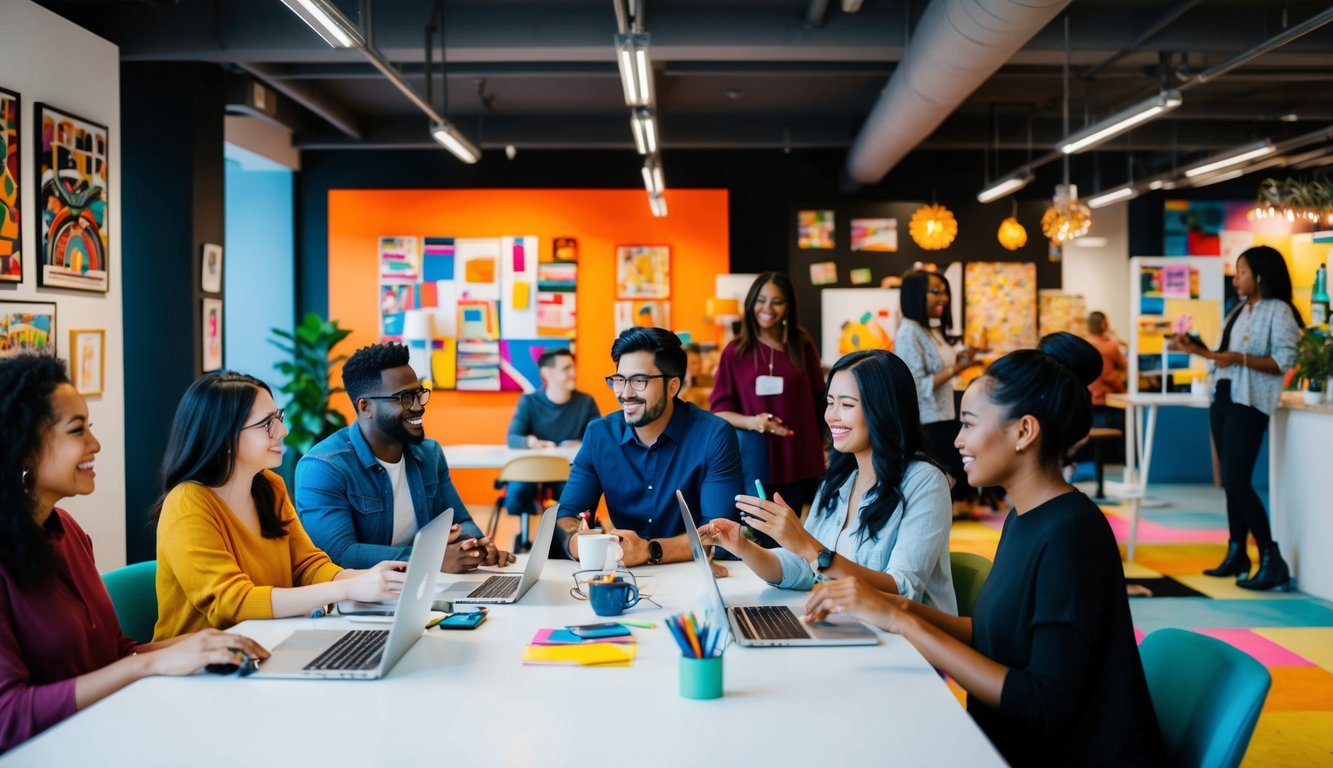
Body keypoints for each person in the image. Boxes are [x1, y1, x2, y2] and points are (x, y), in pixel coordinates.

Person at [803, 333, 1165, 767]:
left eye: (970, 424)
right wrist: (887, 604)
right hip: (995, 742)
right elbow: (994, 634)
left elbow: (1044, 704)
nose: (957, 441)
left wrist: (902, 621)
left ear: (1024, 431)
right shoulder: (1025, 518)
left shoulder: (1072, 535)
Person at [0, 354, 270, 751]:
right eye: (77, 431)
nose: (95, 444)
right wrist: (149, 663)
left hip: (108, 731)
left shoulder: (68, 532)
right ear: (24, 447)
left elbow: (114, 653)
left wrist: (202, 644)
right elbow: (8, 716)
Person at [153, 372, 409, 640]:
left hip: (270, 641)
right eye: (267, 424)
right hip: (203, 661)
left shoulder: (269, 487)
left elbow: (307, 566)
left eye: (278, 417)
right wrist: (346, 589)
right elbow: (231, 604)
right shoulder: (186, 504)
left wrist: (363, 579)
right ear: (224, 437)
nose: (282, 431)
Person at [703, 350, 956, 612]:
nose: (831, 416)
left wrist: (807, 545)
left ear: (885, 409)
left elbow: (903, 591)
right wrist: (743, 547)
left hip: (902, 634)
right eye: (830, 402)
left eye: (846, 405)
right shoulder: (839, 480)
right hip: (848, 625)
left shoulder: (925, 482)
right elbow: (803, 569)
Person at [296, 343, 515, 571]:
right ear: (365, 406)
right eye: (405, 398)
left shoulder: (429, 454)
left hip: (419, 586)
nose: (419, 407)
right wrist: (428, 558)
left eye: (419, 394)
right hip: (359, 591)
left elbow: (461, 521)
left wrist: (474, 546)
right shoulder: (324, 467)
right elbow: (339, 554)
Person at [557, 327, 743, 566]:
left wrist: (649, 550)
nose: (625, 393)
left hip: (696, 573)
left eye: (639, 381)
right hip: (623, 575)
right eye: (619, 380)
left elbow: (720, 533)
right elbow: (567, 515)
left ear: (673, 386)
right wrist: (577, 540)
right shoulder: (599, 435)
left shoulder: (714, 435)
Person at [1174, 245, 1302, 591]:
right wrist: (1196, 349)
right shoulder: (1237, 310)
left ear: (1259, 276)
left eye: (1241, 272)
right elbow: (1224, 356)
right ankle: (1237, 552)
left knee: (1237, 481)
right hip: (1224, 399)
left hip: (1250, 403)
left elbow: (1284, 361)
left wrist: (1239, 358)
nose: (1235, 279)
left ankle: (1271, 558)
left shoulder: (1280, 311)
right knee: (1231, 483)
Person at [709, 272, 826, 519]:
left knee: (793, 528)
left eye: (777, 301)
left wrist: (827, 446)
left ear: (788, 305)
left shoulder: (801, 343)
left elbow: (820, 398)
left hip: (798, 457)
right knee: (760, 531)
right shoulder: (735, 352)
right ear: (751, 303)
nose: (767, 309)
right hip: (756, 460)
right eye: (761, 300)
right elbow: (719, 411)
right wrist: (756, 422)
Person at [893, 269, 976, 517]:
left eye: (945, 292)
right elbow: (917, 385)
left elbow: (938, 369)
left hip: (944, 413)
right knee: (948, 473)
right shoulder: (908, 333)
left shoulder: (929, 329)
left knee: (957, 471)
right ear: (915, 294)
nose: (944, 298)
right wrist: (957, 368)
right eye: (935, 292)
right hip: (928, 418)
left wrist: (960, 361)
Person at [504, 347, 599, 521]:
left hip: (570, 471)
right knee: (517, 491)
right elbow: (512, 439)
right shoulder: (529, 401)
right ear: (547, 373)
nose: (573, 373)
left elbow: (599, 439)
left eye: (573, 367)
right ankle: (530, 532)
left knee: (574, 495)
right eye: (566, 369)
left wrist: (582, 442)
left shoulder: (586, 402)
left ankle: (563, 533)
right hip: (533, 469)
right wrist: (532, 442)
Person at [1084, 311, 1128, 407]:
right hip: (1105, 400)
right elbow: (1125, 367)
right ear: (1103, 325)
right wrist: (1124, 391)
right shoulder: (1109, 346)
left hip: (1085, 399)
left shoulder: (1081, 344)